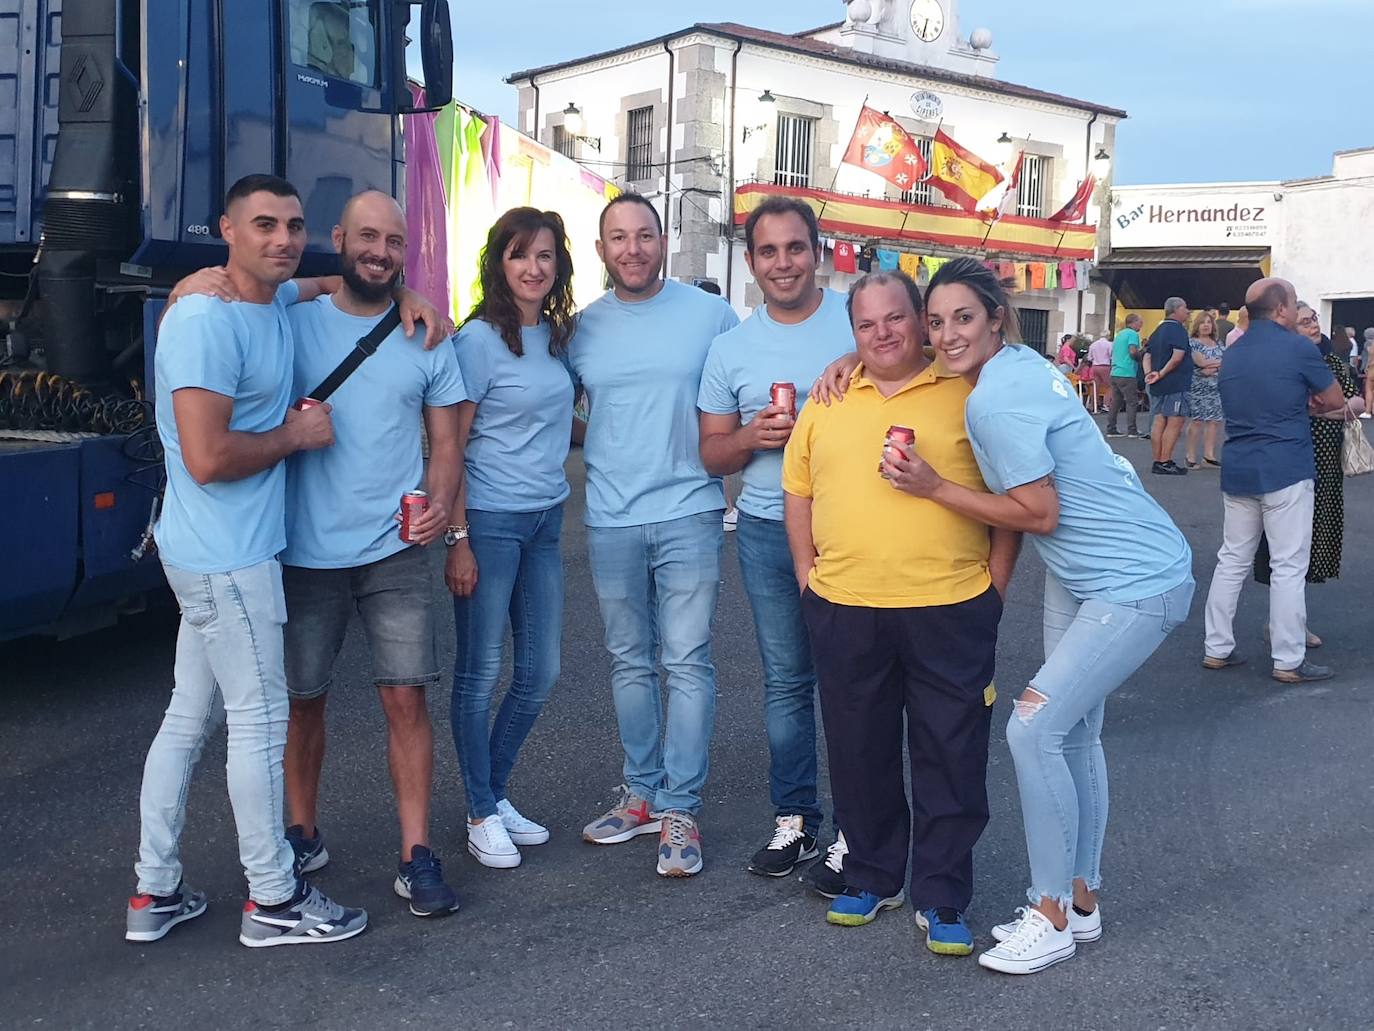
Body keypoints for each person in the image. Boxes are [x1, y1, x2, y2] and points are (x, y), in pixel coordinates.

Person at [882, 257, 1193, 976]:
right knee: (1075, 734)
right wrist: (851, 356)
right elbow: (924, 356)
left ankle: (1049, 910)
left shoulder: (997, 398)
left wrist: (932, 487)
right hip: (1087, 572)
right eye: (937, 321)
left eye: (965, 317)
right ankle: (1081, 899)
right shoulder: (1013, 365)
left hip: (1135, 578)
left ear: (997, 317)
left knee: (1033, 727)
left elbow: (1038, 511)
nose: (948, 334)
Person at [127, 174, 367, 948]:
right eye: (263, 224)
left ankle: (154, 890)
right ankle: (274, 898)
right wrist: (296, 438)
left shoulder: (272, 298)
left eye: (295, 225)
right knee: (261, 724)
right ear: (225, 229)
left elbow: (325, 280)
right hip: (227, 559)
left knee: (189, 717)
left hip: (217, 553)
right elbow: (203, 455)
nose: (283, 239)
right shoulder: (206, 319)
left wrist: (411, 301)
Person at [784, 270, 1018, 957]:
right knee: (860, 753)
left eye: (895, 318)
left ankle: (942, 892)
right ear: (851, 333)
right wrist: (807, 577)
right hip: (846, 607)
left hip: (950, 608)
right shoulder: (828, 396)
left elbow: (1014, 500)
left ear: (920, 320)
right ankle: (873, 873)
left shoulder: (970, 388)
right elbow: (797, 490)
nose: (882, 333)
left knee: (952, 754)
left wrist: (995, 588)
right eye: (866, 324)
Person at [573, 194, 739, 877]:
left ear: (664, 241)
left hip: (689, 510)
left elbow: (750, 386)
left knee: (687, 661)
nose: (633, 248)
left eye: (645, 235)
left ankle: (680, 808)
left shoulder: (710, 315)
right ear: (602, 248)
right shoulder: (581, 328)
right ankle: (640, 793)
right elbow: (546, 402)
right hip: (610, 513)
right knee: (628, 662)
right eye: (619, 237)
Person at [697, 196, 851, 883]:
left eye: (795, 247)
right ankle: (794, 820)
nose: (783, 262)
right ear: (751, 259)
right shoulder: (730, 348)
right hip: (763, 525)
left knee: (856, 680)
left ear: (817, 250)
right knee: (788, 679)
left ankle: (858, 824)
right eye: (768, 250)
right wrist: (749, 438)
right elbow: (710, 454)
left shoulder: (861, 316)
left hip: (856, 525)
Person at [448, 209, 578, 870]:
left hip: (545, 520)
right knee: (479, 674)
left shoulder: (557, 337)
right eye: (521, 255)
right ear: (499, 262)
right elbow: (449, 442)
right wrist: (459, 536)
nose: (534, 267)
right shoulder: (477, 340)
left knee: (541, 671)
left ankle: (493, 793)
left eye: (546, 256)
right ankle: (478, 810)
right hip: (491, 523)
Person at [1202, 278, 1346, 684]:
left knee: (1232, 559)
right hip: (1285, 465)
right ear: (1282, 308)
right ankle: (1288, 658)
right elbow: (1334, 400)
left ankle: (1217, 647)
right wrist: (1307, 400)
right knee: (1288, 565)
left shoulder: (1234, 352)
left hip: (1239, 466)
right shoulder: (1297, 347)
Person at [1252, 303, 1363, 642]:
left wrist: (1330, 410)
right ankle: (1284, 624)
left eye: (1314, 318)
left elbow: (1356, 403)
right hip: (1298, 459)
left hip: (1329, 461)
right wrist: (1335, 409)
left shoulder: (1330, 359)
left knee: (1312, 544)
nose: (1313, 325)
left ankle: (1293, 621)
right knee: (1289, 546)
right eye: (1305, 321)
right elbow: (1295, 407)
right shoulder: (1290, 361)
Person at [1142, 297, 1192, 474]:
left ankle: (1157, 460)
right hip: (1175, 383)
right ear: (1177, 309)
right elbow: (1177, 357)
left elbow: (1147, 355)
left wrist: (1150, 374)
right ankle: (1165, 460)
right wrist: (1162, 373)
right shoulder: (1178, 330)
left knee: (1159, 420)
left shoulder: (1158, 330)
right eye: (1185, 308)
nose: (1188, 312)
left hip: (1158, 384)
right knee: (1175, 421)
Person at [1184, 310, 1224, 468]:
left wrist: (1211, 366)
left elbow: (1224, 361)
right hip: (1198, 387)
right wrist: (1217, 364)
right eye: (1202, 322)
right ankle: (1190, 455)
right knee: (1197, 421)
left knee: (1214, 421)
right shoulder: (1192, 342)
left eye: (1209, 322)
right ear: (1197, 325)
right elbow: (1200, 362)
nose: (1206, 325)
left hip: (1216, 388)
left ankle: (1209, 455)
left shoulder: (1218, 343)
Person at [1105, 313, 1143, 438]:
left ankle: (1111, 428)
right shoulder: (1132, 334)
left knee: (1116, 401)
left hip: (1115, 371)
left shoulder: (1119, 335)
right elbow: (1132, 351)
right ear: (1133, 322)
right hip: (1127, 372)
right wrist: (1140, 357)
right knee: (1132, 402)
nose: (1141, 325)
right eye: (1140, 322)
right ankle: (1132, 430)